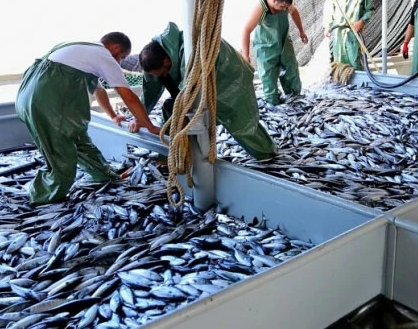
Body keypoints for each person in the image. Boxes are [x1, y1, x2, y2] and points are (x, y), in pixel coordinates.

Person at [15, 32, 160, 206]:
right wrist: (150, 126)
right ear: (114, 48)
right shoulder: (103, 55)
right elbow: (128, 96)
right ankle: (41, 201)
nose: (120, 62)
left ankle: (104, 175)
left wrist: (113, 116)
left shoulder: (81, 48)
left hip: (29, 98)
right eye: (121, 57)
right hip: (48, 105)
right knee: (62, 159)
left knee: (78, 138)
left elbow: (98, 90)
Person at [134, 22, 277, 161]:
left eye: (163, 72)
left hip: (231, 80)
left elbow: (189, 91)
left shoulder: (191, 50)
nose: (162, 77)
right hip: (196, 86)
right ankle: (171, 156)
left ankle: (267, 155)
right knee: (171, 109)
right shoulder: (152, 59)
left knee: (240, 121)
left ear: (166, 61)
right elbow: (149, 91)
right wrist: (140, 117)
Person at [241, 0, 308, 106]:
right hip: (266, 47)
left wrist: (301, 31)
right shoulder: (261, 7)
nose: (285, 9)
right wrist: (246, 55)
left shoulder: (286, 4)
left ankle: (295, 99)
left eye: (286, 7)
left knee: (291, 71)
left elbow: (294, 12)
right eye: (282, 7)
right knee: (268, 77)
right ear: (274, 1)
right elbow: (246, 30)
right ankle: (273, 103)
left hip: (283, 42)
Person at [323, 0, 374, 70]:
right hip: (338, 35)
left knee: (356, 63)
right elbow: (328, 12)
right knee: (339, 65)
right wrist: (327, 27)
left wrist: (361, 22)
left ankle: (359, 85)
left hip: (354, 34)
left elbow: (370, 10)